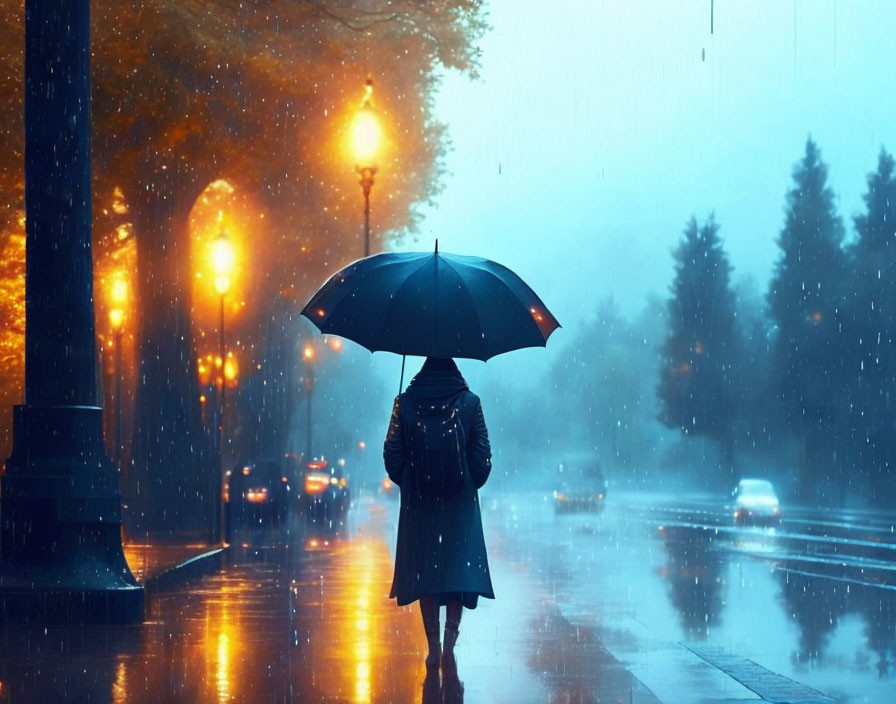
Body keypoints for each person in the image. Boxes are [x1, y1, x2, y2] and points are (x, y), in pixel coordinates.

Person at [384, 356, 494, 670]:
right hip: (459, 504)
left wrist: (410, 479)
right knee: (456, 570)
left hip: (420, 503)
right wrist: (469, 481)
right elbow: (483, 459)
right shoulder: (471, 403)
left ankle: (432, 646)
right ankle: (449, 644)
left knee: (426, 572)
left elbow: (392, 455)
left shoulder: (404, 403)